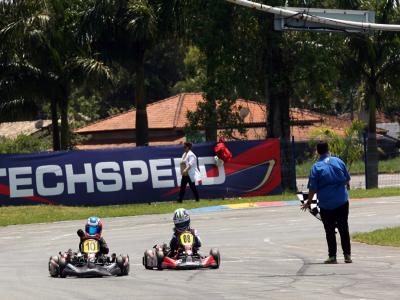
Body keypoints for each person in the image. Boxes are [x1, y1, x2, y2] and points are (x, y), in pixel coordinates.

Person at [301, 141, 352, 264]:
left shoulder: (316, 167)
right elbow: (347, 179)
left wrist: (308, 202)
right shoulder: (338, 161)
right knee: (343, 228)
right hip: (341, 201)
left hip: (326, 204)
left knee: (329, 230)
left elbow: (313, 188)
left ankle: (332, 256)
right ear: (328, 149)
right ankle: (347, 255)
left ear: (317, 151)